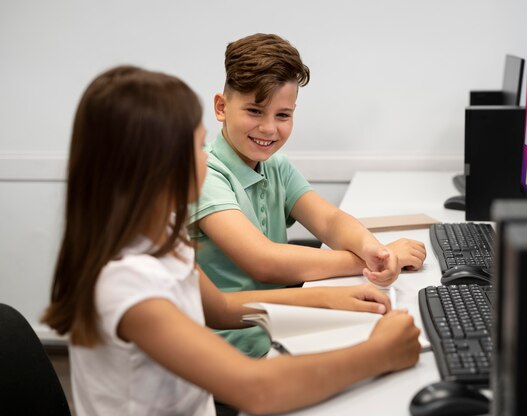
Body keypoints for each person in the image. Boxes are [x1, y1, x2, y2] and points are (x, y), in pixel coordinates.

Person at [41, 65, 421, 416]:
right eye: (197, 146)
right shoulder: (128, 284)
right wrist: (379, 353)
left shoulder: (161, 238)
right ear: (156, 164)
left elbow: (220, 307)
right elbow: (256, 390)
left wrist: (327, 298)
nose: (205, 159)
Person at [189, 33, 427, 357]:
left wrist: (373, 249)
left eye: (283, 115)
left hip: (278, 328)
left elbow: (328, 220)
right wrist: (369, 261)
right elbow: (263, 261)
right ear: (221, 107)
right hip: (233, 348)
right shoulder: (206, 174)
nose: (269, 128)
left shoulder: (275, 165)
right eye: (255, 111)